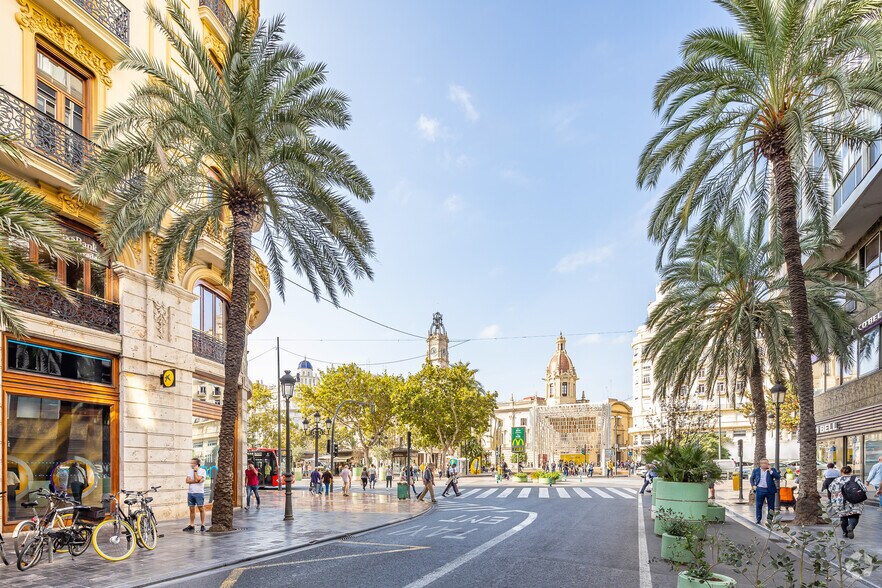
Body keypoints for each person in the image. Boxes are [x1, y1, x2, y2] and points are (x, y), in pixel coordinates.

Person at [828, 465, 868, 539]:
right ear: (851, 471)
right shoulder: (856, 479)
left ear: (841, 472)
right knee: (854, 515)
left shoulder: (836, 480)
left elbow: (830, 489)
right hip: (854, 501)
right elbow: (864, 489)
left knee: (843, 516)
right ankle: (851, 526)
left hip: (840, 502)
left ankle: (845, 533)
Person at [750, 458, 780, 525]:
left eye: (766, 463)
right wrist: (753, 485)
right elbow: (752, 478)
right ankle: (758, 519)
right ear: (760, 464)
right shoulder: (756, 470)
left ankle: (770, 520)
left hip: (770, 490)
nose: (764, 464)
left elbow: (778, 477)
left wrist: (770, 471)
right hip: (760, 489)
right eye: (762, 463)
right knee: (759, 505)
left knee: (771, 506)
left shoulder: (772, 470)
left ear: (768, 464)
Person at [183, 457, 207, 532]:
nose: (191, 464)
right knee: (191, 509)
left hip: (199, 492)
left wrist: (195, 472)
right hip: (191, 492)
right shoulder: (189, 471)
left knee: (201, 508)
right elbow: (187, 480)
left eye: (192, 463)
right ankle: (191, 525)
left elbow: (197, 479)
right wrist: (196, 480)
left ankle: (203, 525)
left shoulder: (202, 471)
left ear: (197, 464)